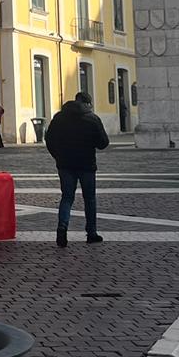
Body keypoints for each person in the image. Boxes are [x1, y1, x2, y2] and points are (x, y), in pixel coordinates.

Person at [44, 91, 109, 247]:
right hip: (86, 165)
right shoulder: (92, 119)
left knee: (67, 197)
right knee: (89, 199)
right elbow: (103, 143)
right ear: (87, 103)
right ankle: (91, 233)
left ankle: (62, 227)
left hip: (65, 165)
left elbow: (49, 139)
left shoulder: (59, 118)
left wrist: (58, 156)